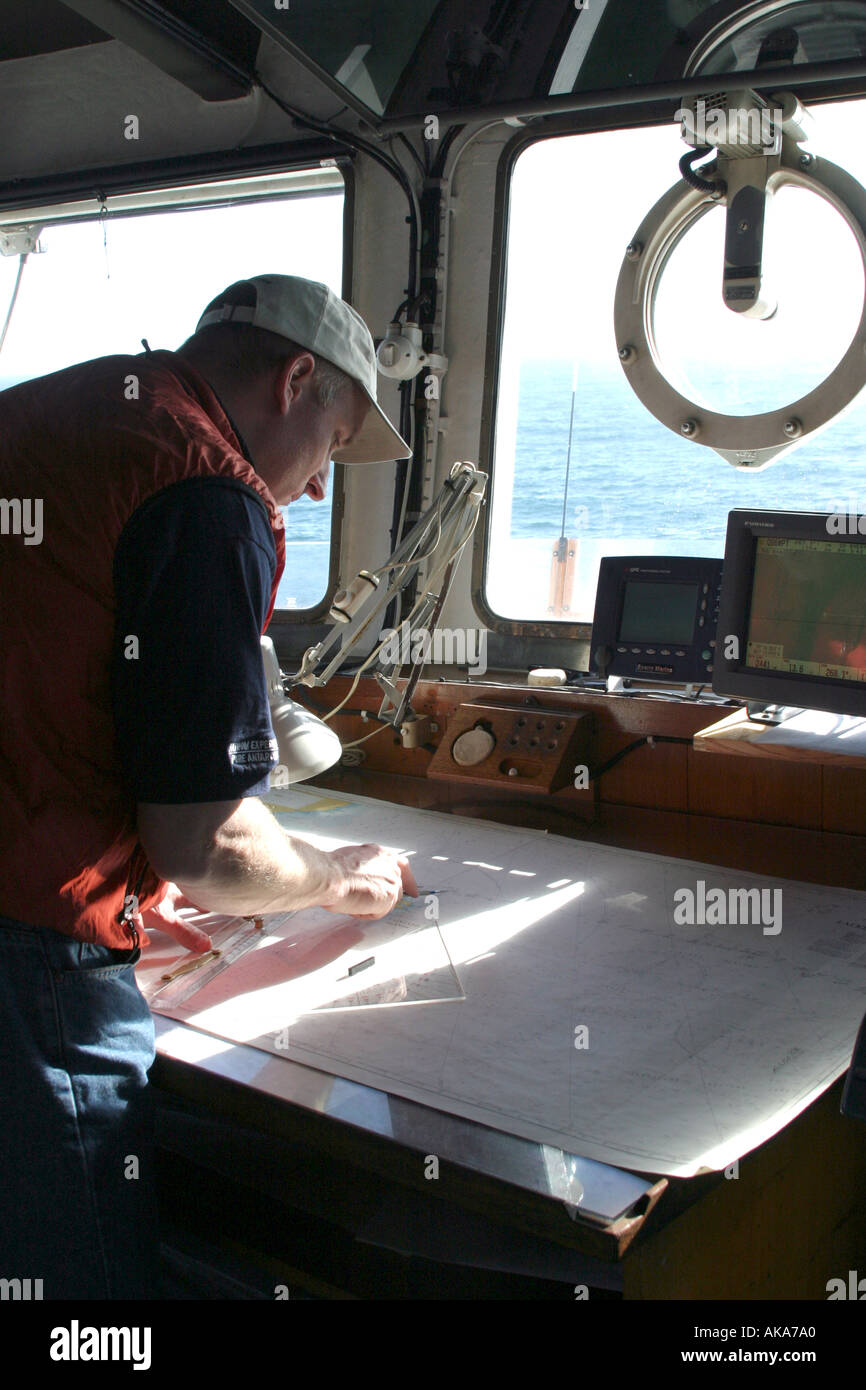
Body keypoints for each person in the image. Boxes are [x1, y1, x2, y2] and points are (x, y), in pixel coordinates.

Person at [0, 273, 418, 1299]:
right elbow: (212, 845)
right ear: (296, 379)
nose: (319, 488)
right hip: (28, 942)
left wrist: (141, 863)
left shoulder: (53, 408)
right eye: (332, 444)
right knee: (84, 1283)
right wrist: (329, 876)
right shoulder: (200, 490)